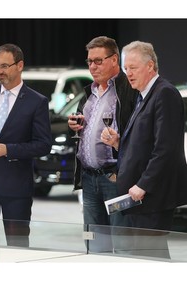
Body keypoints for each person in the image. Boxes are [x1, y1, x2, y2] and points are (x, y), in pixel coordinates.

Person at [101, 40, 187, 259]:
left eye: (133, 68)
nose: (128, 73)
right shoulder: (144, 94)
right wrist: (118, 143)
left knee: (151, 256)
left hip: (150, 195)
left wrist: (143, 185)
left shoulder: (164, 94)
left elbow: (166, 149)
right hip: (138, 195)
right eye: (126, 68)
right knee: (143, 256)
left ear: (150, 66)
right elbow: (145, 145)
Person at [68, 36, 138, 252]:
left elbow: (139, 133)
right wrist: (76, 125)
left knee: (122, 242)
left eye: (98, 61)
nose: (92, 66)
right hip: (89, 180)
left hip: (116, 178)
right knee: (94, 244)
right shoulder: (89, 92)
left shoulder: (128, 89)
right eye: (89, 61)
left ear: (115, 59)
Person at [0, 43, 52, 247]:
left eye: (4, 66)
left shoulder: (36, 102)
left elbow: (43, 145)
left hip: (16, 188)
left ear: (20, 65)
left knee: (17, 246)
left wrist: (8, 149)